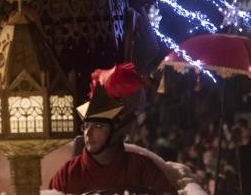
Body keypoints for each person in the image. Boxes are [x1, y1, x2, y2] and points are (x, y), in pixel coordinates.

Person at [48, 63, 176, 193]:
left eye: (98, 125)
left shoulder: (142, 168)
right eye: (86, 126)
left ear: (118, 129)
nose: (88, 133)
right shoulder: (68, 174)